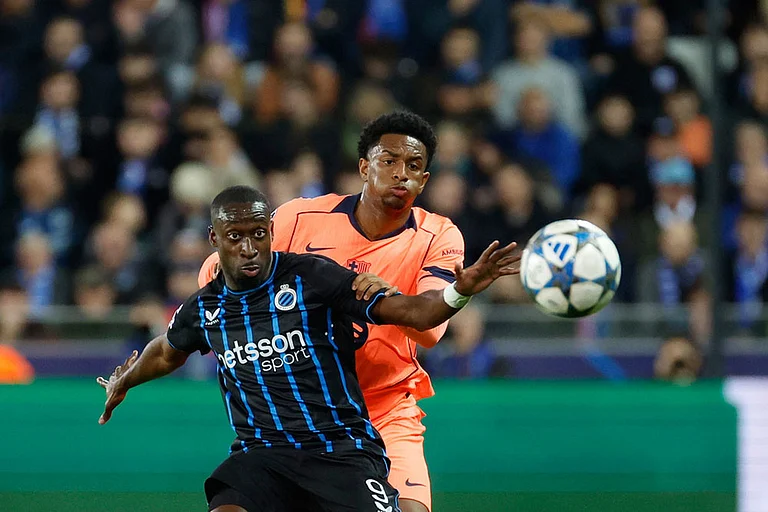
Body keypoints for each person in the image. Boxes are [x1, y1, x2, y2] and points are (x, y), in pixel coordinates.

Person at [97, 185, 519, 512]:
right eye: (235, 236)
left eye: (258, 234)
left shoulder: (312, 278)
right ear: (214, 238)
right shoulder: (206, 308)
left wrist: (458, 292)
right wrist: (125, 380)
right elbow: (168, 350)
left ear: (271, 233)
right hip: (262, 456)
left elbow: (414, 313)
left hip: (340, 452)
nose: (248, 248)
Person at [198, 111, 463, 512]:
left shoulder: (438, 234)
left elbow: (430, 332)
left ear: (424, 180)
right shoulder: (297, 218)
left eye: (413, 166)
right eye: (388, 161)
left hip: (385, 408)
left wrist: (386, 297)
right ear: (364, 167)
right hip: (303, 417)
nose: (400, 174)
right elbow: (214, 274)